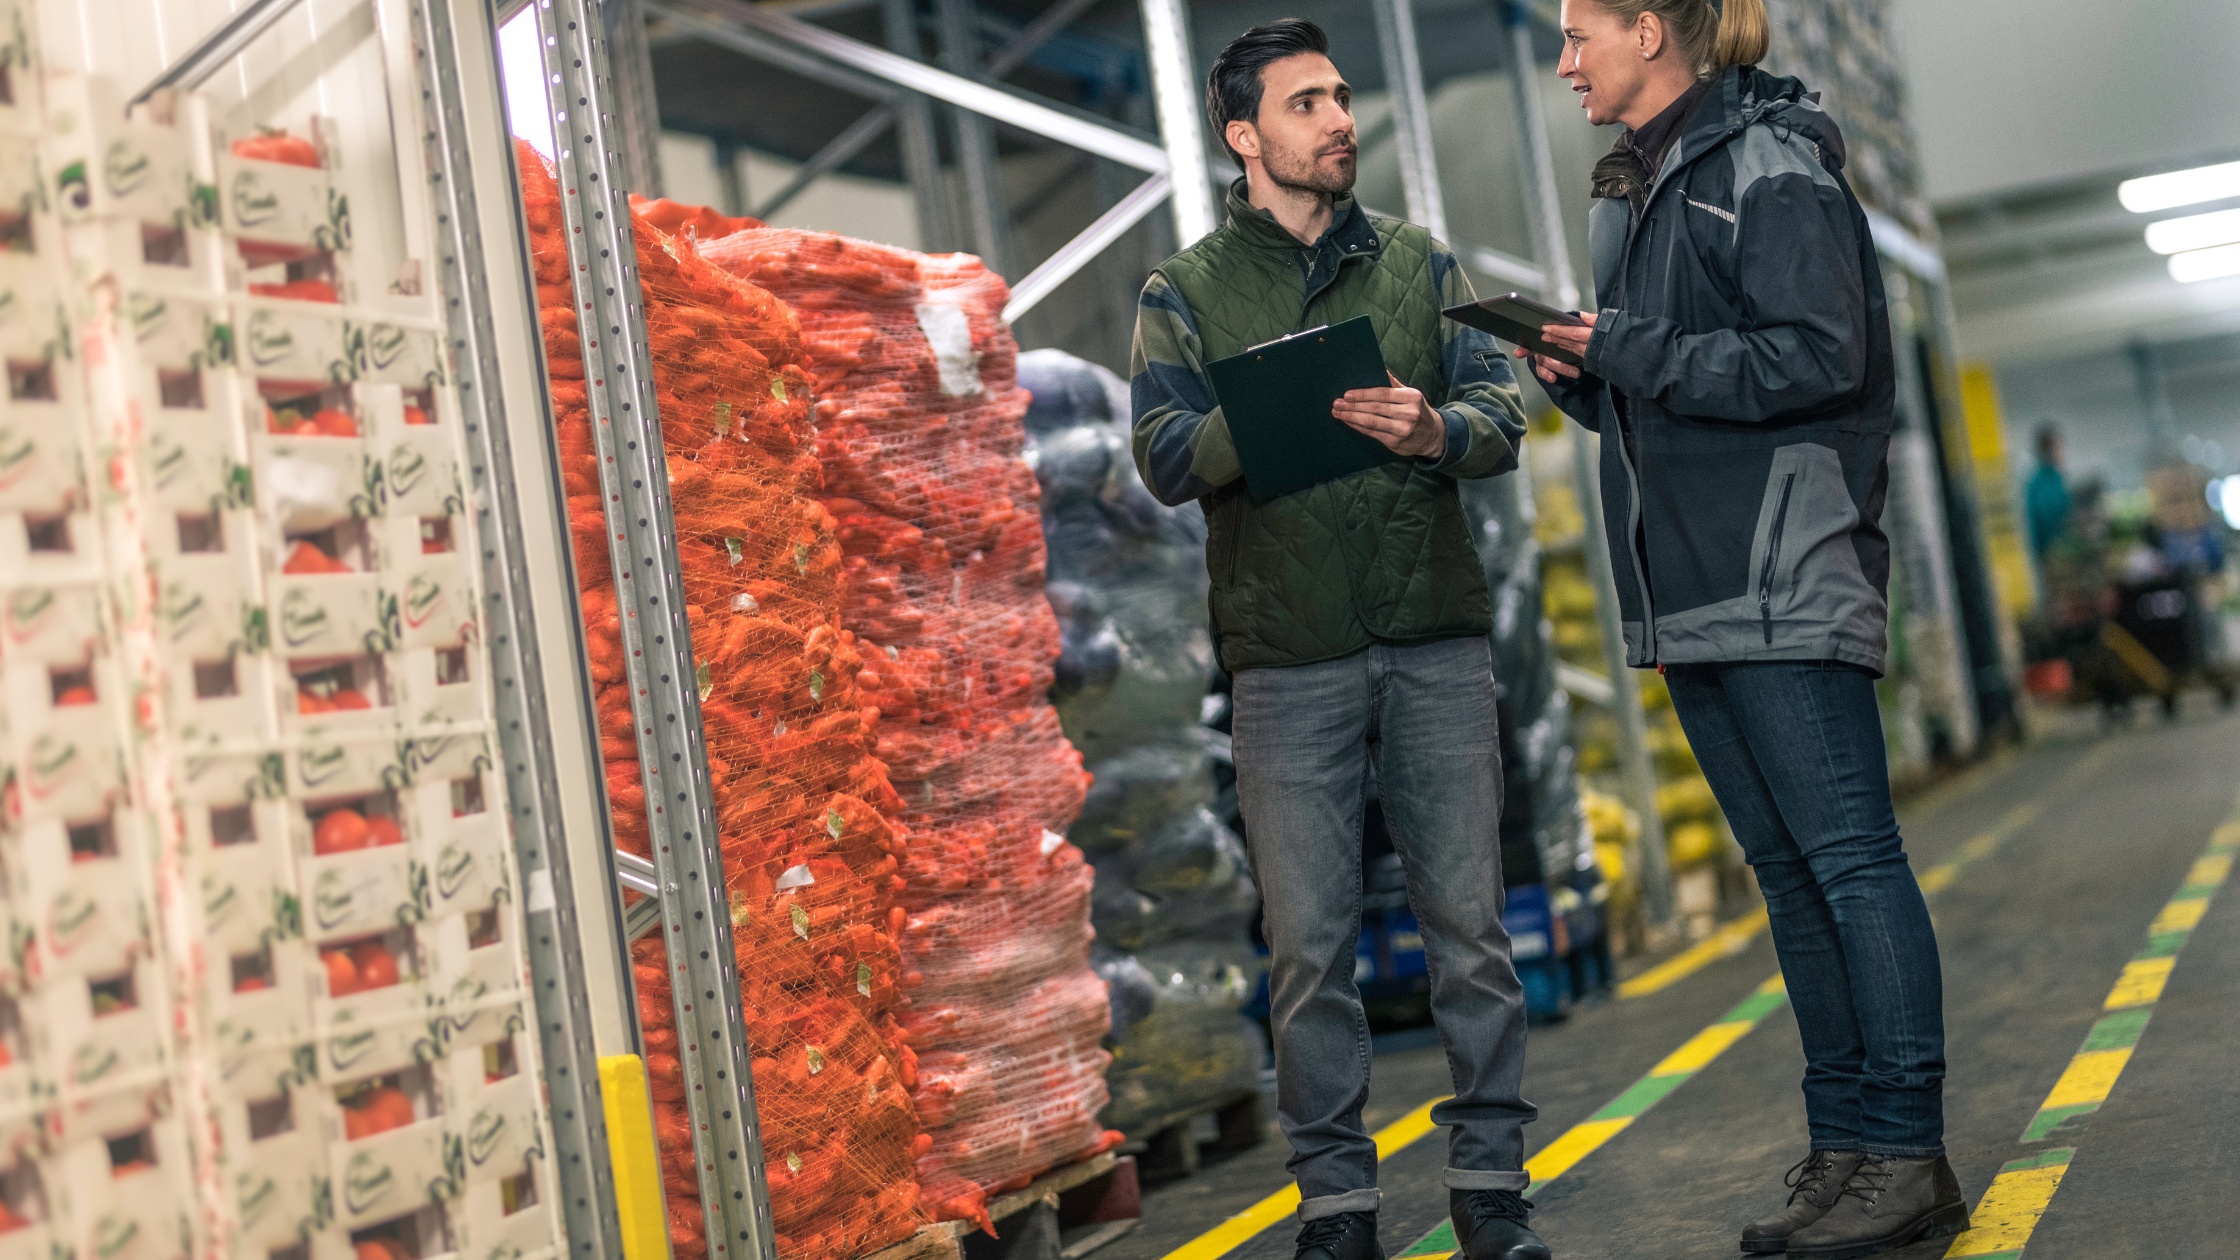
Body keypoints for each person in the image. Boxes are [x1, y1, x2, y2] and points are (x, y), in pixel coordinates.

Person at [1515, 1, 1972, 1257]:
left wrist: (1630, 348)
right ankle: (1842, 1150)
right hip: (1698, 584)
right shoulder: (1636, 190)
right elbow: (1677, 397)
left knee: (1847, 861)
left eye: (1577, 35)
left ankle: (1905, 1151)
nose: (1563, 63)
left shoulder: (1764, 164)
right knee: (1787, 877)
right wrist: (1589, 379)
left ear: (1651, 31)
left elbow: (1816, 358)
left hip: (1782, 564)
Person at [1129, 18, 1548, 1260]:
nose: (1337, 120)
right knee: (1309, 952)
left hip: (1431, 638)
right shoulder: (1184, 292)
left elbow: (1501, 409)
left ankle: (1491, 1193)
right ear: (1244, 136)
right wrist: (1267, 415)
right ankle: (1337, 1211)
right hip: (1285, 663)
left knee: (1468, 934)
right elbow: (1158, 456)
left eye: (1340, 98)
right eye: (1305, 104)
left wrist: (1437, 431)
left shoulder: (1419, 265)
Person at [2027, 423, 2072, 560]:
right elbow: (2047, 521)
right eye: (2058, 447)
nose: (2062, 451)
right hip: (2049, 552)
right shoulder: (2040, 484)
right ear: (2047, 451)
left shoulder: (2056, 478)